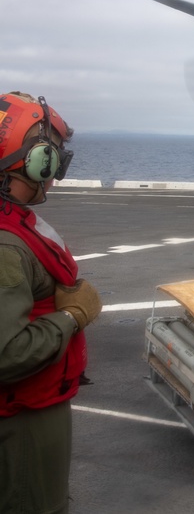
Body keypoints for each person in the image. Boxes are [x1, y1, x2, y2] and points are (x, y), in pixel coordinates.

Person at [0, 92, 102, 513]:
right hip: (23, 417)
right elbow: (7, 353)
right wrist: (73, 315)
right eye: (53, 156)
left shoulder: (14, 225)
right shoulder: (7, 245)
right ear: (36, 160)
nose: (56, 169)